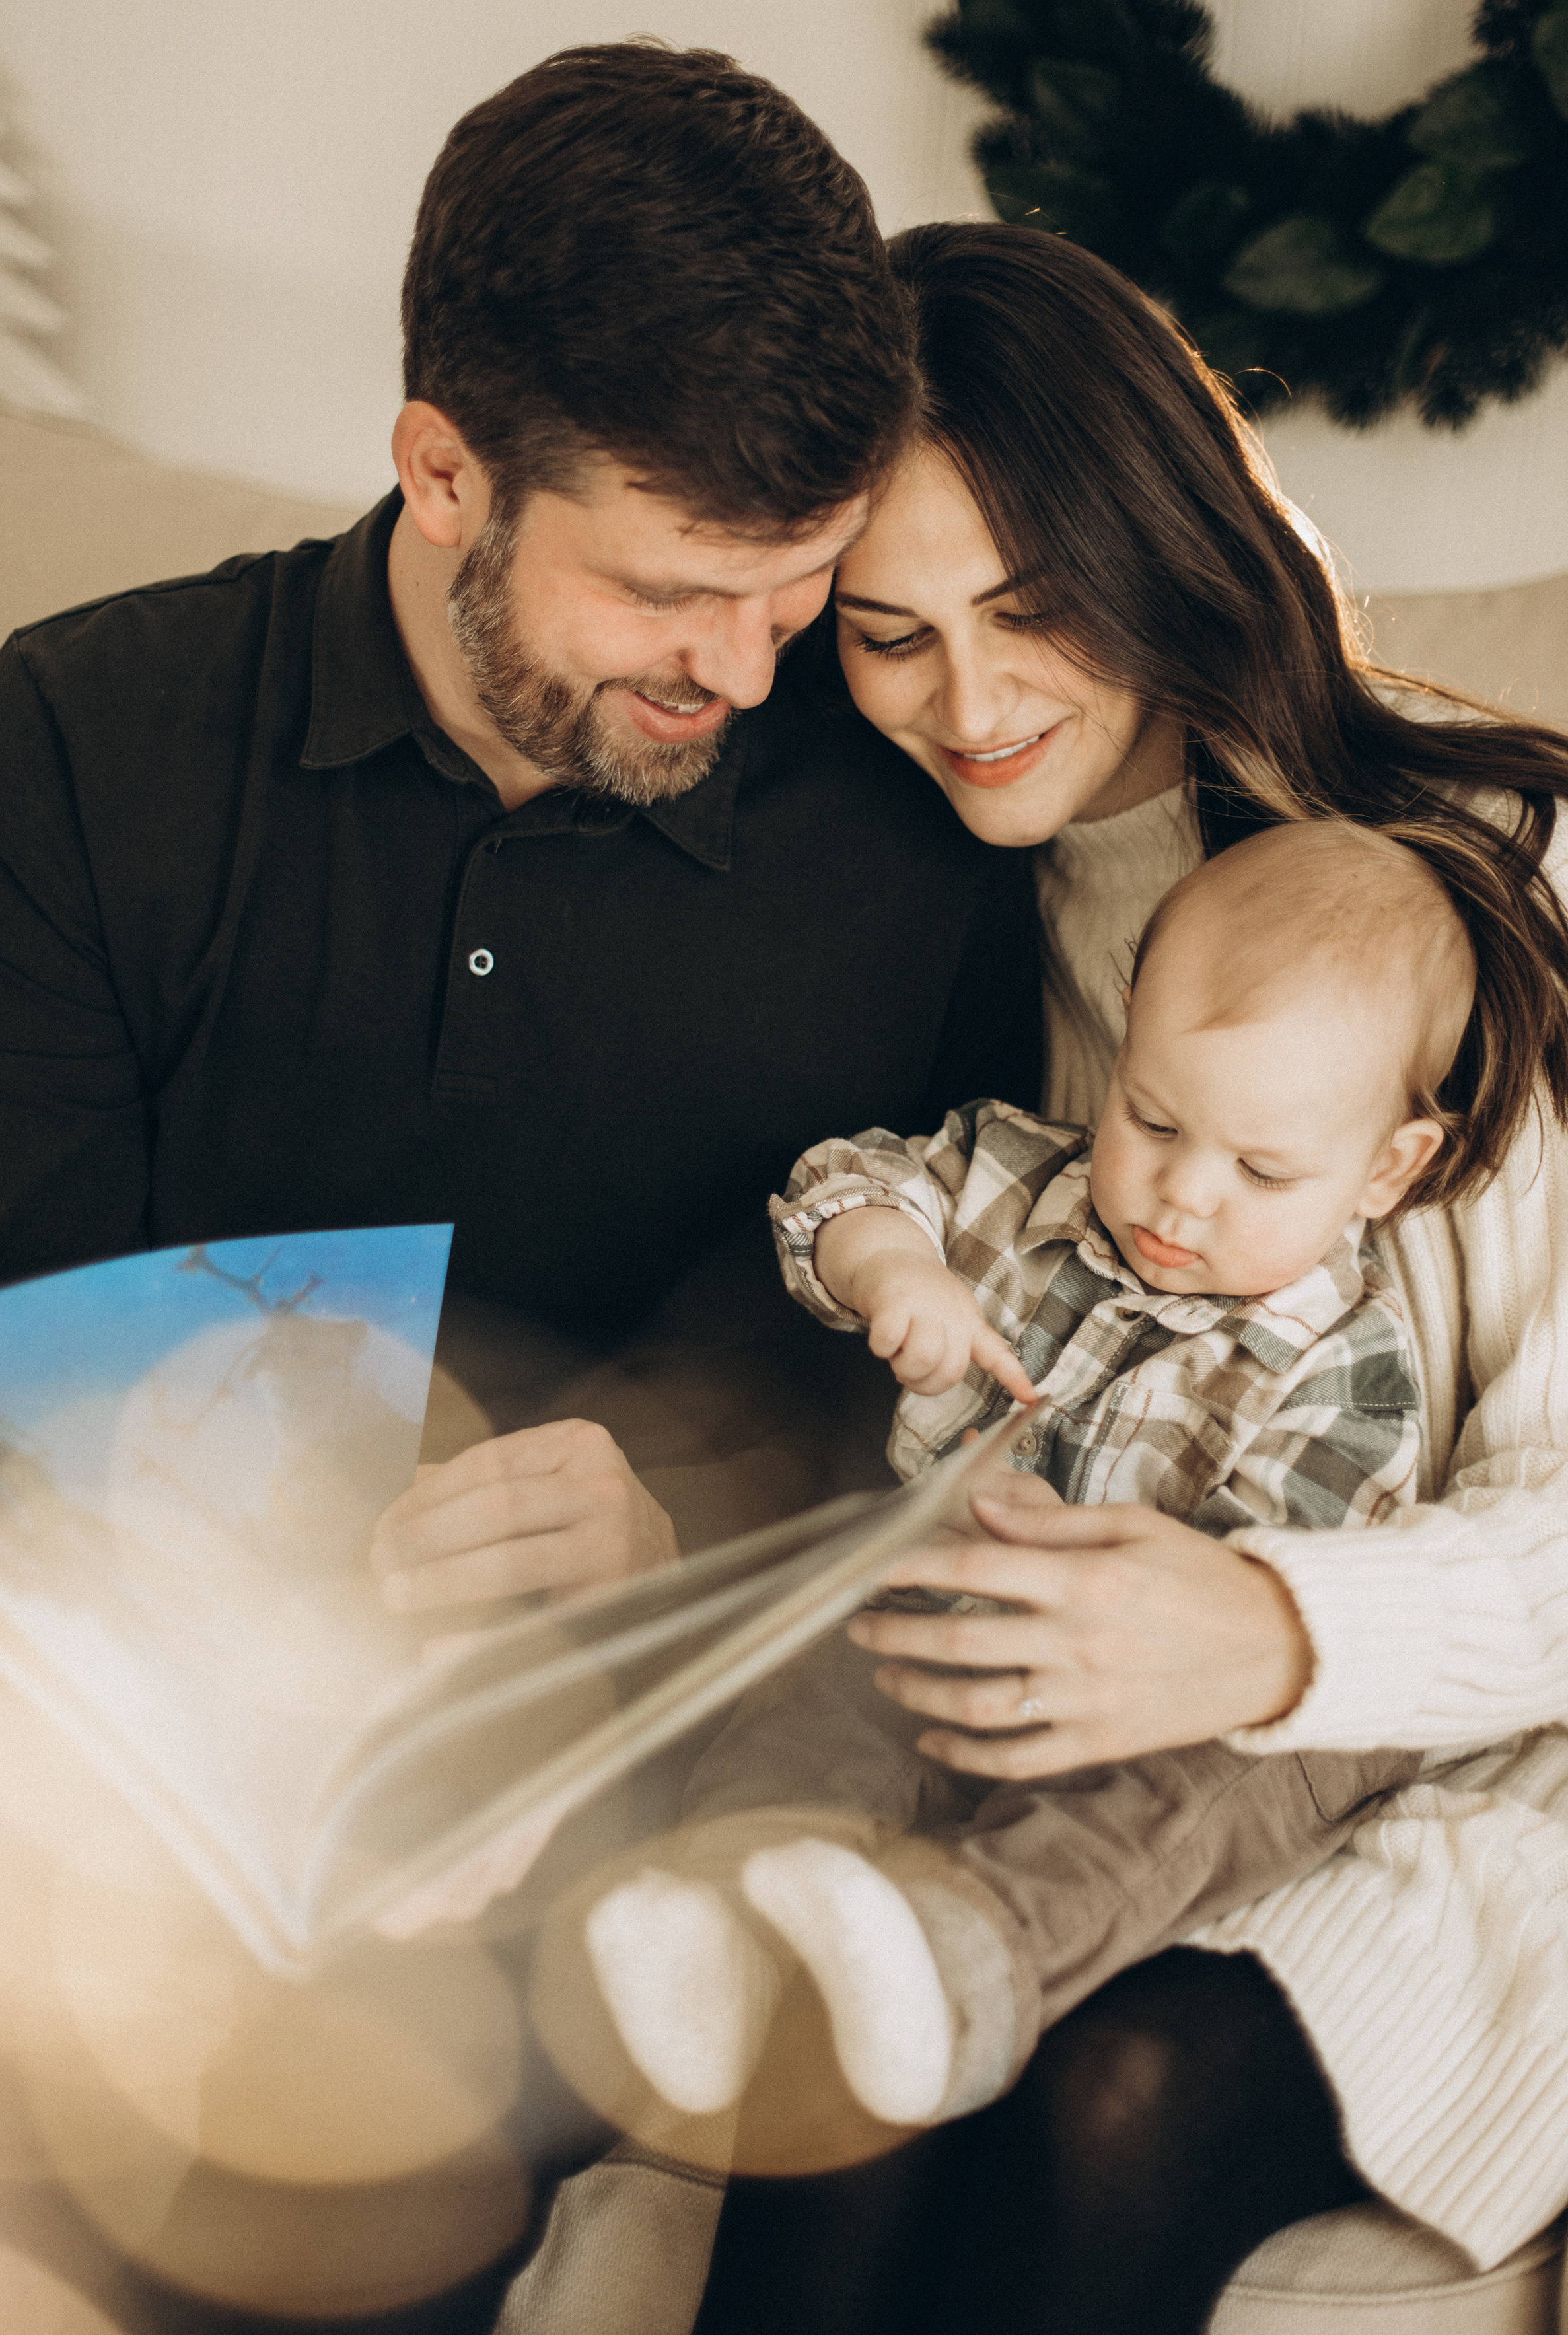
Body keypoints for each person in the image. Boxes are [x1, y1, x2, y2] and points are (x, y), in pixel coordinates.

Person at [536, 222, 1568, 2335]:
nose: (974, 705)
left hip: (1458, 1760)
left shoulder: (1503, 881)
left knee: (1111, 2095)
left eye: (1033, 609)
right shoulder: (923, 924)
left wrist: (1270, 1630)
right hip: (1029, 1730)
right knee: (851, 2028)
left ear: (1167, 546)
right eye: (891, 636)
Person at [0, 42, 1040, 1595]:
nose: (748, 671)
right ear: (441, 473)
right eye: (667, 592)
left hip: (669, 1696)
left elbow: (959, 1354)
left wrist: (670, 1544)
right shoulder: (81, 745)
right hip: (172, 1667)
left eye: (800, 577)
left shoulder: (919, 792)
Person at [583, 814, 1546, 2140]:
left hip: (1162, 1714)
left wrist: (1102, 1572)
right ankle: (732, 1927)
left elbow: (1266, 1589)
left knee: (1184, 1804)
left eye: (1262, 1169)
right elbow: (837, 1187)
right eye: (1149, 1117)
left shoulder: (1346, 1361)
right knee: (817, 1679)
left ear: (1387, 1169)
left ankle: (970, 1956)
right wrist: (894, 1268)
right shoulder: (1017, 1179)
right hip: (946, 1614)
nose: (1180, 1195)